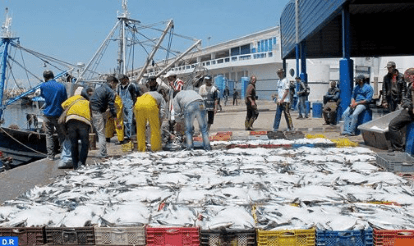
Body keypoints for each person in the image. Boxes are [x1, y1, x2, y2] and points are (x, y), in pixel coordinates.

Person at [60, 87, 93, 169]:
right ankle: (81, 164)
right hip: (84, 122)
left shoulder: (72, 98)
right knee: (85, 144)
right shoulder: (87, 102)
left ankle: (75, 166)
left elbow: (63, 106)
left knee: (73, 144)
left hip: (71, 121)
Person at [39, 70, 67, 160]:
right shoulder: (61, 86)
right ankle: (63, 153)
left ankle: (50, 155)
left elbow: (43, 96)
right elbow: (65, 99)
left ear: (45, 78)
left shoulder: (43, 85)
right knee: (61, 135)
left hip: (47, 114)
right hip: (59, 114)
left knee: (49, 135)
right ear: (53, 76)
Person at [89, 76, 119, 158]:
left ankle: (103, 152)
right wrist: (115, 117)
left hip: (94, 110)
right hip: (98, 112)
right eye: (115, 85)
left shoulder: (99, 88)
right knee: (101, 133)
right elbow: (112, 106)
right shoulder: (110, 91)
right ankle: (103, 154)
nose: (115, 87)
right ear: (112, 82)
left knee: (100, 132)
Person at [388, 68, 414, 152]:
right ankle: (397, 145)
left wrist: (408, 105)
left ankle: (398, 147)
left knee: (393, 125)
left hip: (410, 111)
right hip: (407, 108)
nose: (406, 77)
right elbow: (407, 98)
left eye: (408, 76)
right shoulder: (410, 84)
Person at [117, 74, 139, 141]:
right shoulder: (119, 87)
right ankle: (127, 135)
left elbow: (135, 96)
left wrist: (134, 105)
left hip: (130, 105)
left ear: (126, 79)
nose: (121, 81)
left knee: (130, 121)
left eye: (122, 79)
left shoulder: (131, 86)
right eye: (120, 80)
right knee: (125, 121)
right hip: (122, 106)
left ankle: (131, 135)